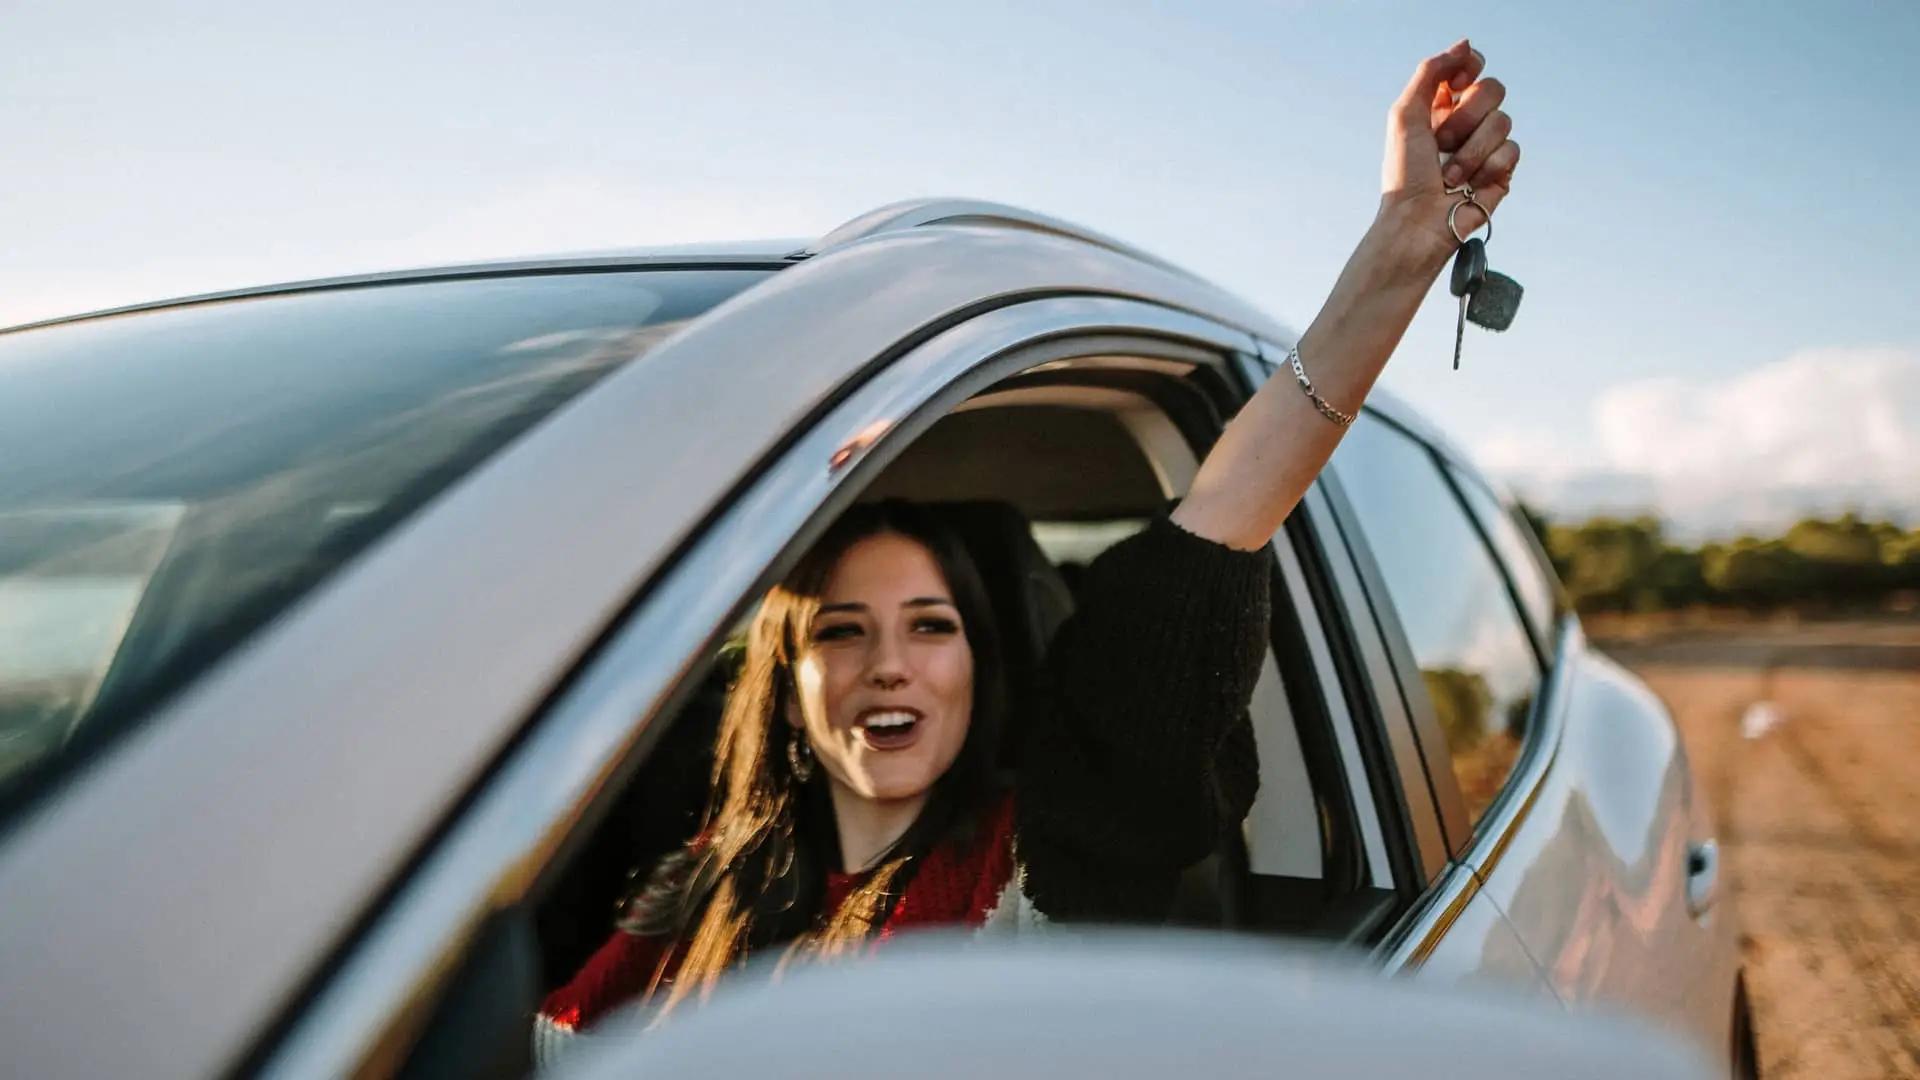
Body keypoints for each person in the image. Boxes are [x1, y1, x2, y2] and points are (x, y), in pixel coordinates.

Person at [536, 38, 1520, 1057]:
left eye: (931, 624)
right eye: (840, 630)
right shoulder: (698, 888)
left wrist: (1403, 248)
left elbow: (1214, 532)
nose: (888, 664)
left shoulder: (1054, 853)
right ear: (784, 679)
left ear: (977, 660)